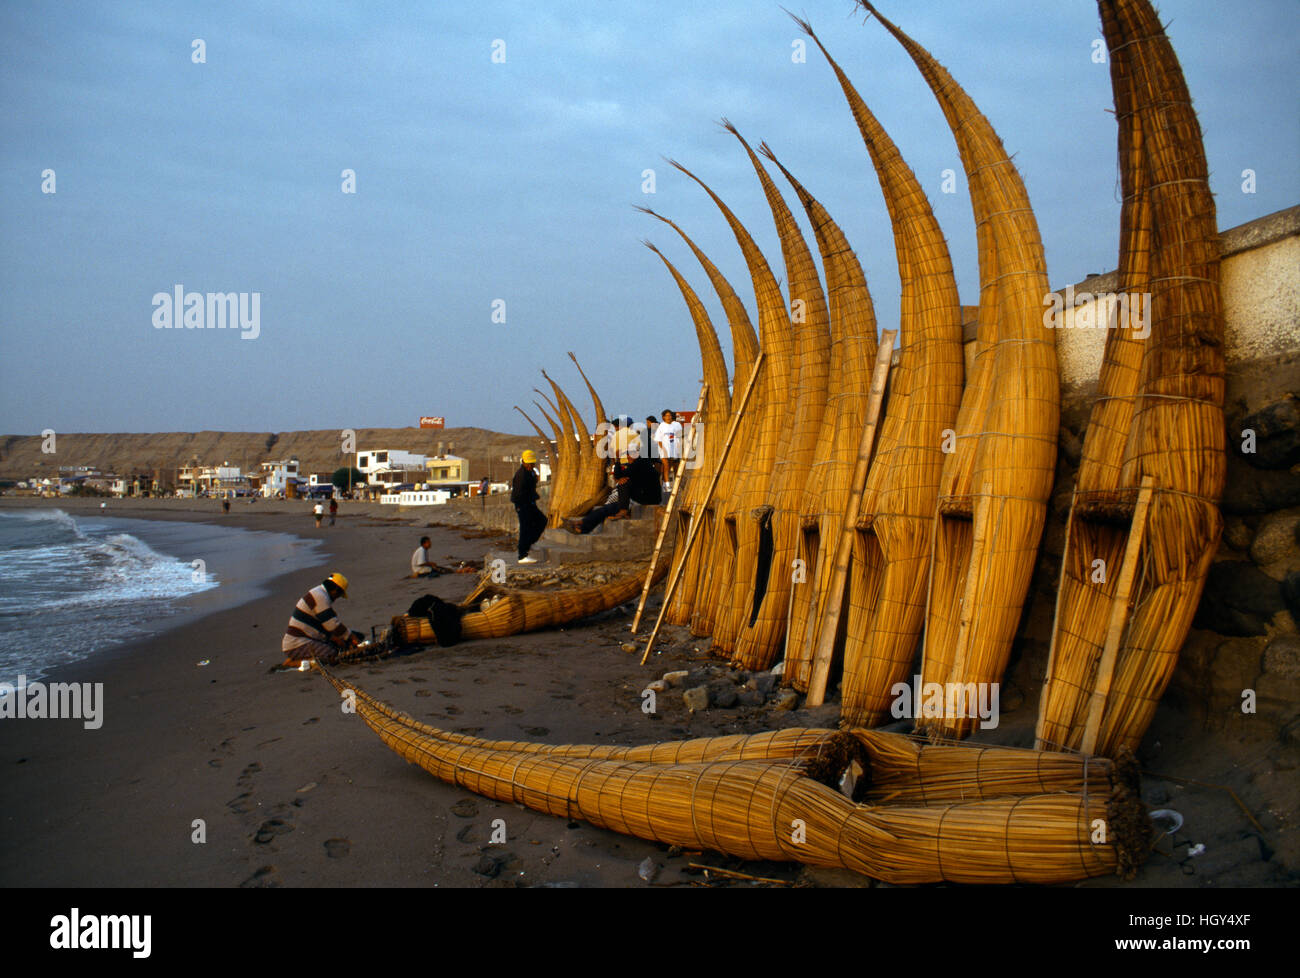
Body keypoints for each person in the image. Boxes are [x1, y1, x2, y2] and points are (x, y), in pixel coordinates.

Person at [568, 454, 662, 535]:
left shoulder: (640, 463)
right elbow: (619, 475)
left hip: (648, 498)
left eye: (629, 455)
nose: (628, 457)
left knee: (623, 483)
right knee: (605, 510)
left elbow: (618, 475)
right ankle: (582, 526)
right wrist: (618, 466)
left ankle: (623, 511)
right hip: (637, 498)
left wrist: (618, 463)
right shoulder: (637, 464)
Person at [281, 573, 359, 667]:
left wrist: (340, 638)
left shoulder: (319, 593)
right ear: (335, 591)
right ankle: (294, 663)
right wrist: (350, 636)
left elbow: (324, 627)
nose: (337, 598)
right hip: (297, 643)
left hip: (307, 638)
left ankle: (300, 657)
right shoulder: (320, 597)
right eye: (339, 595)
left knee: (338, 645)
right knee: (332, 655)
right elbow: (332, 625)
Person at [511, 450, 546, 564]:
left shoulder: (530, 472)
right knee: (525, 528)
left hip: (530, 503)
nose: (531, 465)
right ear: (524, 462)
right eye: (529, 463)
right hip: (523, 504)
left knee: (542, 521)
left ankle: (529, 544)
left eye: (532, 463)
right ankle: (522, 555)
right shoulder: (521, 475)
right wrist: (522, 506)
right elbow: (518, 493)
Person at [656, 409, 683, 491]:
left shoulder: (675, 425)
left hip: (674, 449)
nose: (669, 417)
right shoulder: (661, 426)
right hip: (664, 449)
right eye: (667, 416)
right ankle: (667, 485)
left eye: (670, 415)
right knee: (666, 466)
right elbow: (658, 439)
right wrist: (663, 449)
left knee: (674, 467)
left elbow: (678, 437)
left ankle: (674, 485)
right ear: (663, 417)